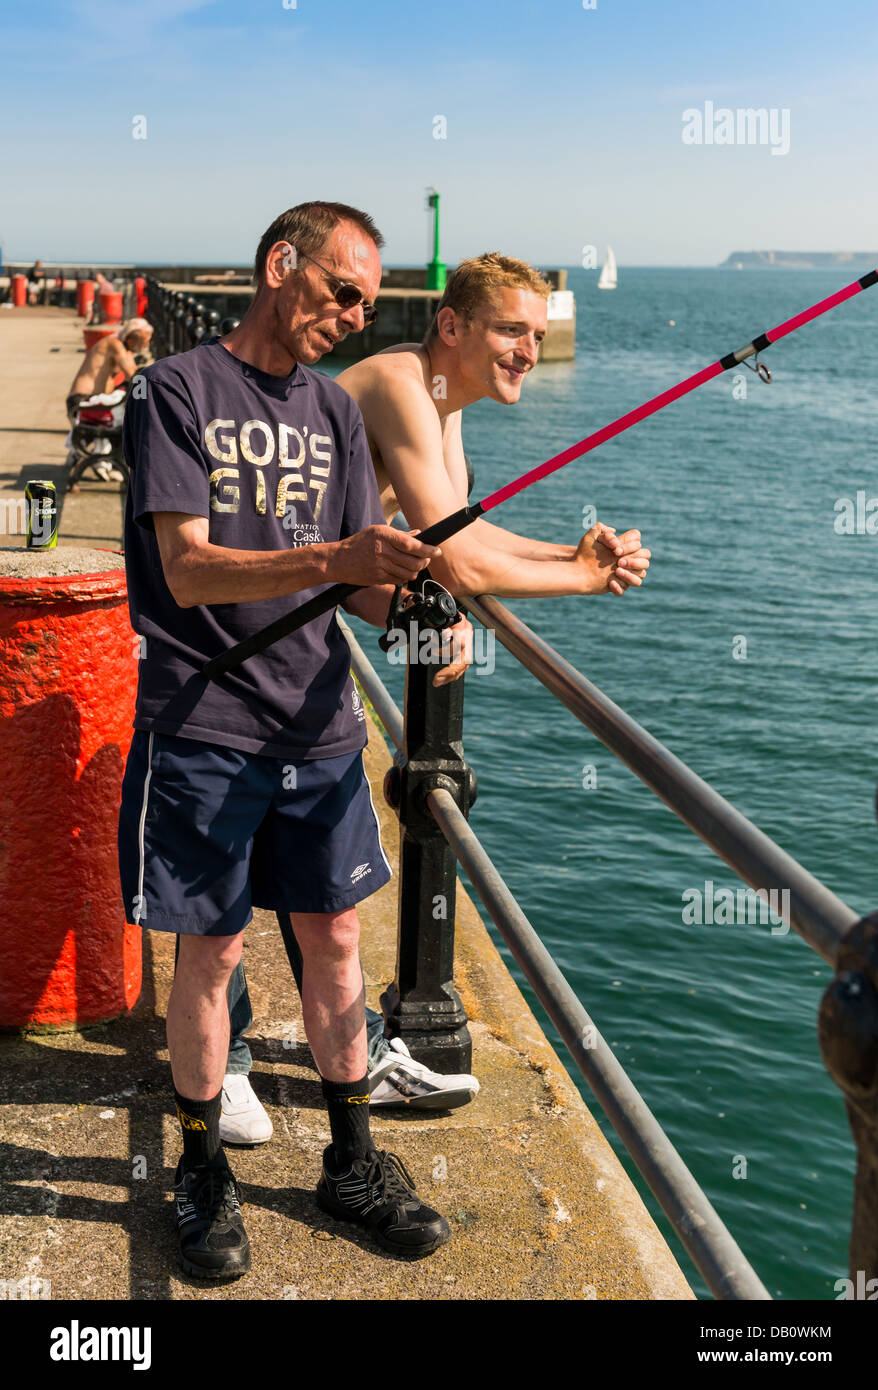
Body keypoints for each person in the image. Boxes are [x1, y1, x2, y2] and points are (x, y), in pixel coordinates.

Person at [118, 200, 473, 1280]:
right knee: (214, 951)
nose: (358, 317)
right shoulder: (174, 391)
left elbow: (355, 587)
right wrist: (338, 556)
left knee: (338, 945)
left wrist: (417, 613)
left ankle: (351, 1162)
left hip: (317, 727)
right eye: (343, 291)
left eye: (369, 302)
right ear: (282, 265)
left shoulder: (332, 412)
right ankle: (199, 1170)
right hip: (204, 725)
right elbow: (187, 567)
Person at [223, 252, 651, 1140]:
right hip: (240, 636)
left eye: (537, 333)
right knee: (224, 880)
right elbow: (451, 560)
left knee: (314, 891)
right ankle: (224, 1062)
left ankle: (328, 1050)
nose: (530, 350)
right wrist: (576, 582)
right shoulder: (398, 385)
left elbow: (461, 527)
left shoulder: (441, 403)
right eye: (511, 330)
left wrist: (574, 557)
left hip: (299, 630)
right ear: (452, 327)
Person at [66, 318, 154, 481]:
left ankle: (110, 463)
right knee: (129, 420)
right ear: (131, 339)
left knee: (127, 417)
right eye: (144, 342)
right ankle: (108, 463)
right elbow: (133, 375)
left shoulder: (122, 346)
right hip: (82, 402)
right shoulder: (114, 345)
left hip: (94, 403)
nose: (146, 346)